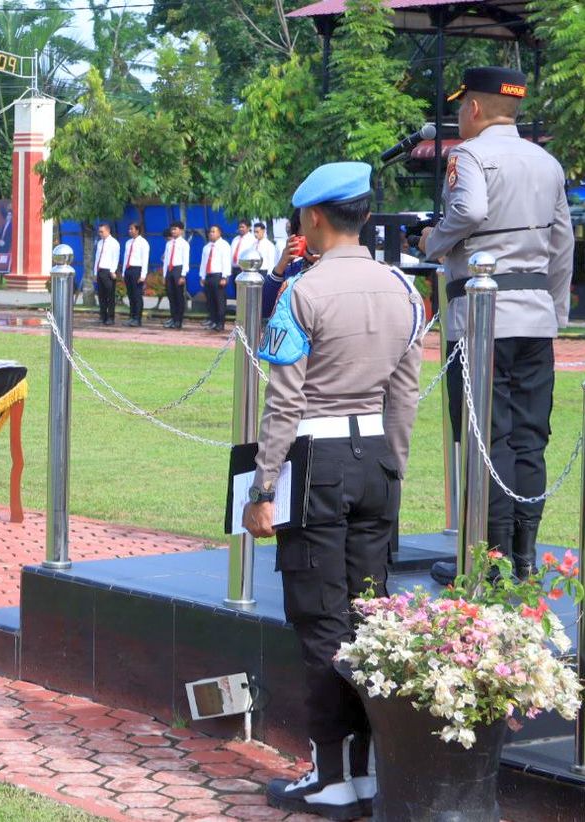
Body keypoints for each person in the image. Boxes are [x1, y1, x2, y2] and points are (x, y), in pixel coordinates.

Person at [243, 161, 423, 820]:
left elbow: (283, 403)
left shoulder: (301, 293)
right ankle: (371, 766)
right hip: (376, 458)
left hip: (316, 462)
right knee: (370, 615)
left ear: (314, 218)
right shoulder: (404, 289)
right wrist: (391, 468)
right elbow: (404, 396)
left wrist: (265, 484)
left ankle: (331, 774)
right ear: (364, 216)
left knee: (322, 620)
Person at [424, 67, 576, 584]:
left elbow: (469, 209)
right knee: (530, 438)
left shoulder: (468, 155)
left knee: (490, 437)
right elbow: (561, 247)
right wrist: (555, 312)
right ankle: (524, 553)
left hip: (483, 318)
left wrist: (433, 241)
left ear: (473, 108)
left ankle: (487, 559)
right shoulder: (547, 162)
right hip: (534, 315)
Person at [199, 225, 232, 331]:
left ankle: (220, 323)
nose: (211, 233)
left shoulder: (224, 245)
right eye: (210, 231)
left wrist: (225, 276)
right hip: (209, 276)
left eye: (214, 231)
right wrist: (202, 276)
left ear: (219, 233)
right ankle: (213, 321)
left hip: (218, 276)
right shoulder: (207, 247)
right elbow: (203, 263)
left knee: (220, 300)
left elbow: (226, 262)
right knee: (210, 300)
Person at [161, 222, 190, 329]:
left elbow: (185, 260)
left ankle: (179, 320)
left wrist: (183, 275)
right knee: (171, 296)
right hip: (169, 270)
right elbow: (166, 261)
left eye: (175, 229)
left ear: (181, 231)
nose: (173, 231)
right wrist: (164, 275)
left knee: (179, 296)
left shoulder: (184, 244)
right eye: (172, 229)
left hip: (178, 269)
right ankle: (173, 318)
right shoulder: (169, 244)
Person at [121, 223, 150, 327]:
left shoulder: (143, 243)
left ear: (137, 230)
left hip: (137, 270)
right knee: (130, 295)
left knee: (137, 296)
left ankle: (137, 319)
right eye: (129, 229)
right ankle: (131, 317)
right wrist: (124, 271)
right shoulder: (128, 243)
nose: (129, 231)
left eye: (131, 229)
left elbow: (145, 260)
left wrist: (143, 275)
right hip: (129, 270)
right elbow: (125, 257)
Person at [91, 223, 120, 325]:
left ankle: (110, 317)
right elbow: (97, 258)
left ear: (108, 231)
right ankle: (102, 316)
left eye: (102, 231)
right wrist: (95, 272)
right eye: (99, 232)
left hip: (108, 271)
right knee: (101, 295)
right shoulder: (99, 243)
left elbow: (115, 258)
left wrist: (113, 270)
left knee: (110, 296)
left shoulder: (114, 243)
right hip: (100, 271)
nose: (100, 234)